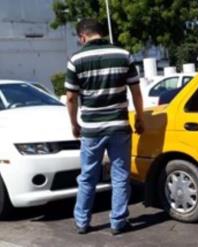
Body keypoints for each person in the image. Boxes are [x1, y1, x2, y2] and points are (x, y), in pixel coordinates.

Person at [64, 18, 145, 235]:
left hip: (91, 129)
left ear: (82, 37)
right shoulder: (123, 55)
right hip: (119, 126)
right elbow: (136, 92)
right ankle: (118, 221)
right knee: (120, 176)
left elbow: (71, 98)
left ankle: (82, 221)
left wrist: (74, 124)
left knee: (88, 176)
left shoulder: (76, 60)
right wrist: (140, 118)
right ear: (101, 33)